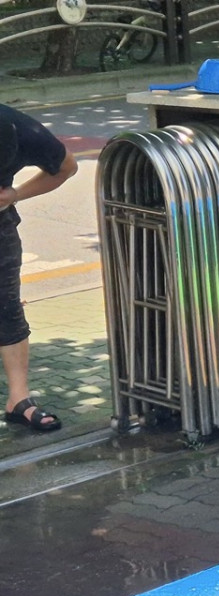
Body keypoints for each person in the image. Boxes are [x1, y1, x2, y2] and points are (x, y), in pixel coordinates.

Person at [1, 103, 79, 432]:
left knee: (6, 306)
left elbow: (66, 167)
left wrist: (14, 194)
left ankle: (18, 400)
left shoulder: (23, 131)